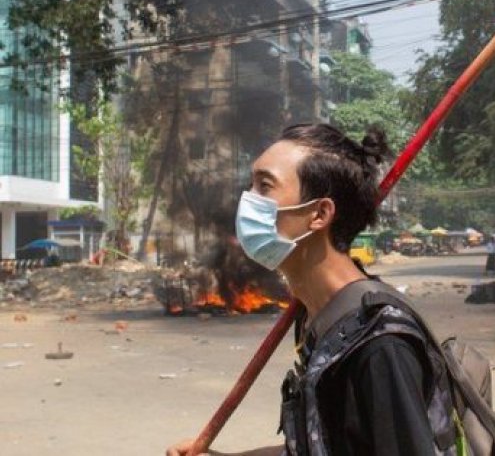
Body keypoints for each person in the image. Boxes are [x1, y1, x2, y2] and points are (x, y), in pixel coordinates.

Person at [167, 124, 456, 456]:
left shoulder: (379, 343)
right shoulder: (318, 318)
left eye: (265, 186)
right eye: (251, 185)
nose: (247, 200)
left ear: (319, 214)